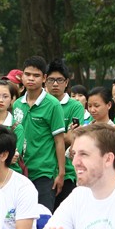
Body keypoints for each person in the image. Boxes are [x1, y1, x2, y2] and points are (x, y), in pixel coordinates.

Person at [12, 56, 65, 212]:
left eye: (36, 75)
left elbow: (59, 141)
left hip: (44, 173)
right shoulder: (17, 104)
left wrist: (61, 173)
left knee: (42, 220)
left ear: (44, 78)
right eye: (27, 74)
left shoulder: (53, 105)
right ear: (22, 76)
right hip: (19, 171)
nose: (31, 79)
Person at [45, 60, 84, 210]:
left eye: (59, 80)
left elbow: (70, 139)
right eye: (51, 80)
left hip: (66, 172)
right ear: (45, 80)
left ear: (66, 82)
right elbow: (64, 137)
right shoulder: (40, 104)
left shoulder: (75, 106)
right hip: (43, 170)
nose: (55, 84)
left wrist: (50, 138)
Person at [0, 80, 25, 175]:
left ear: (12, 99)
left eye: (5, 96)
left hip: (11, 174)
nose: (0, 100)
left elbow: (12, 157)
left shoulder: (17, 127)